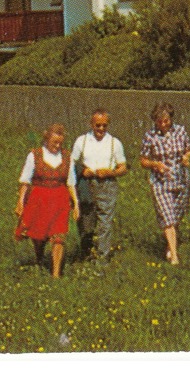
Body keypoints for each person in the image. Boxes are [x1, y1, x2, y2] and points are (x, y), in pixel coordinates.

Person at [14, 122, 79, 278]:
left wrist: (76, 204)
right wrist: (20, 202)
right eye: (54, 142)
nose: (57, 146)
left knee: (59, 236)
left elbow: (70, 182)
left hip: (60, 200)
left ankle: (56, 274)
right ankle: (39, 258)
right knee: (39, 234)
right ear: (46, 139)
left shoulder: (67, 157)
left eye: (60, 143)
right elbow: (25, 181)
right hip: (39, 199)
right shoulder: (35, 155)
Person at [71, 109, 127, 264]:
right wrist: (83, 170)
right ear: (91, 124)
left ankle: (102, 257)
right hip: (85, 184)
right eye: (98, 125)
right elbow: (71, 163)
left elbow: (123, 168)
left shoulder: (115, 143)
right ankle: (86, 253)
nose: (101, 129)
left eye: (104, 126)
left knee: (105, 223)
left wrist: (110, 172)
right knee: (86, 221)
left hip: (106, 184)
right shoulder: (81, 141)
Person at [140, 103, 190, 266]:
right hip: (160, 182)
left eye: (166, 121)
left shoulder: (180, 131)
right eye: (159, 122)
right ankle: (174, 256)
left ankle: (170, 244)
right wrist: (156, 165)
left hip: (181, 179)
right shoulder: (150, 136)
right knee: (167, 217)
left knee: (176, 215)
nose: (163, 124)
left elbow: (188, 149)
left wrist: (186, 157)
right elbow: (143, 160)